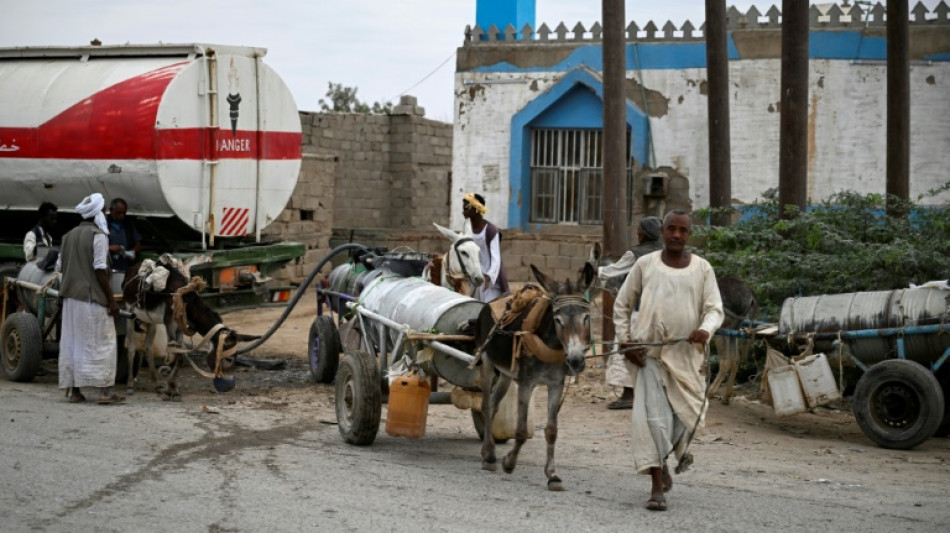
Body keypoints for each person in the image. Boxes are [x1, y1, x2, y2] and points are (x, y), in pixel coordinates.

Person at [613, 209, 724, 511]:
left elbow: (714, 309)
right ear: (662, 231)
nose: (676, 234)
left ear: (689, 234)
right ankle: (656, 484)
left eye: (682, 230)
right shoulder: (645, 264)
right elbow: (622, 304)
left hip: (687, 359)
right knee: (653, 421)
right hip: (649, 357)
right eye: (671, 229)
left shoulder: (702, 268)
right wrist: (626, 342)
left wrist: (705, 329)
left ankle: (665, 461)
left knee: (685, 419)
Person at [57, 192, 125, 405]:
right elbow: (100, 269)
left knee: (73, 343)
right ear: (99, 213)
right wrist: (111, 301)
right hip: (91, 299)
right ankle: (104, 392)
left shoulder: (67, 236)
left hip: (70, 299)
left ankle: (75, 392)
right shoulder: (99, 236)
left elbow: (59, 267)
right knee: (104, 342)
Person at [603, 216, 663, 410]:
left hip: (639, 312)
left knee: (626, 348)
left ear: (643, 234)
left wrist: (592, 271)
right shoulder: (667, 252)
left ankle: (629, 395)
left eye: (639, 230)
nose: (637, 233)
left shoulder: (635, 254)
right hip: (665, 311)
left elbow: (613, 271)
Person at [462, 192, 509, 302]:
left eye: (466, 209)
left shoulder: (491, 230)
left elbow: (496, 259)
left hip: (489, 283)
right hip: (475, 280)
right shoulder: (467, 229)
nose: (463, 212)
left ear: (475, 209)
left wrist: (489, 276)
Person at [106, 198, 141, 273]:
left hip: (125, 267)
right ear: (111, 210)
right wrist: (110, 248)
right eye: (118, 213)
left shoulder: (128, 224)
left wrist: (131, 253)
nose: (121, 216)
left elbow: (137, 243)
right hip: (108, 266)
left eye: (123, 213)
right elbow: (94, 246)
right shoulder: (104, 224)